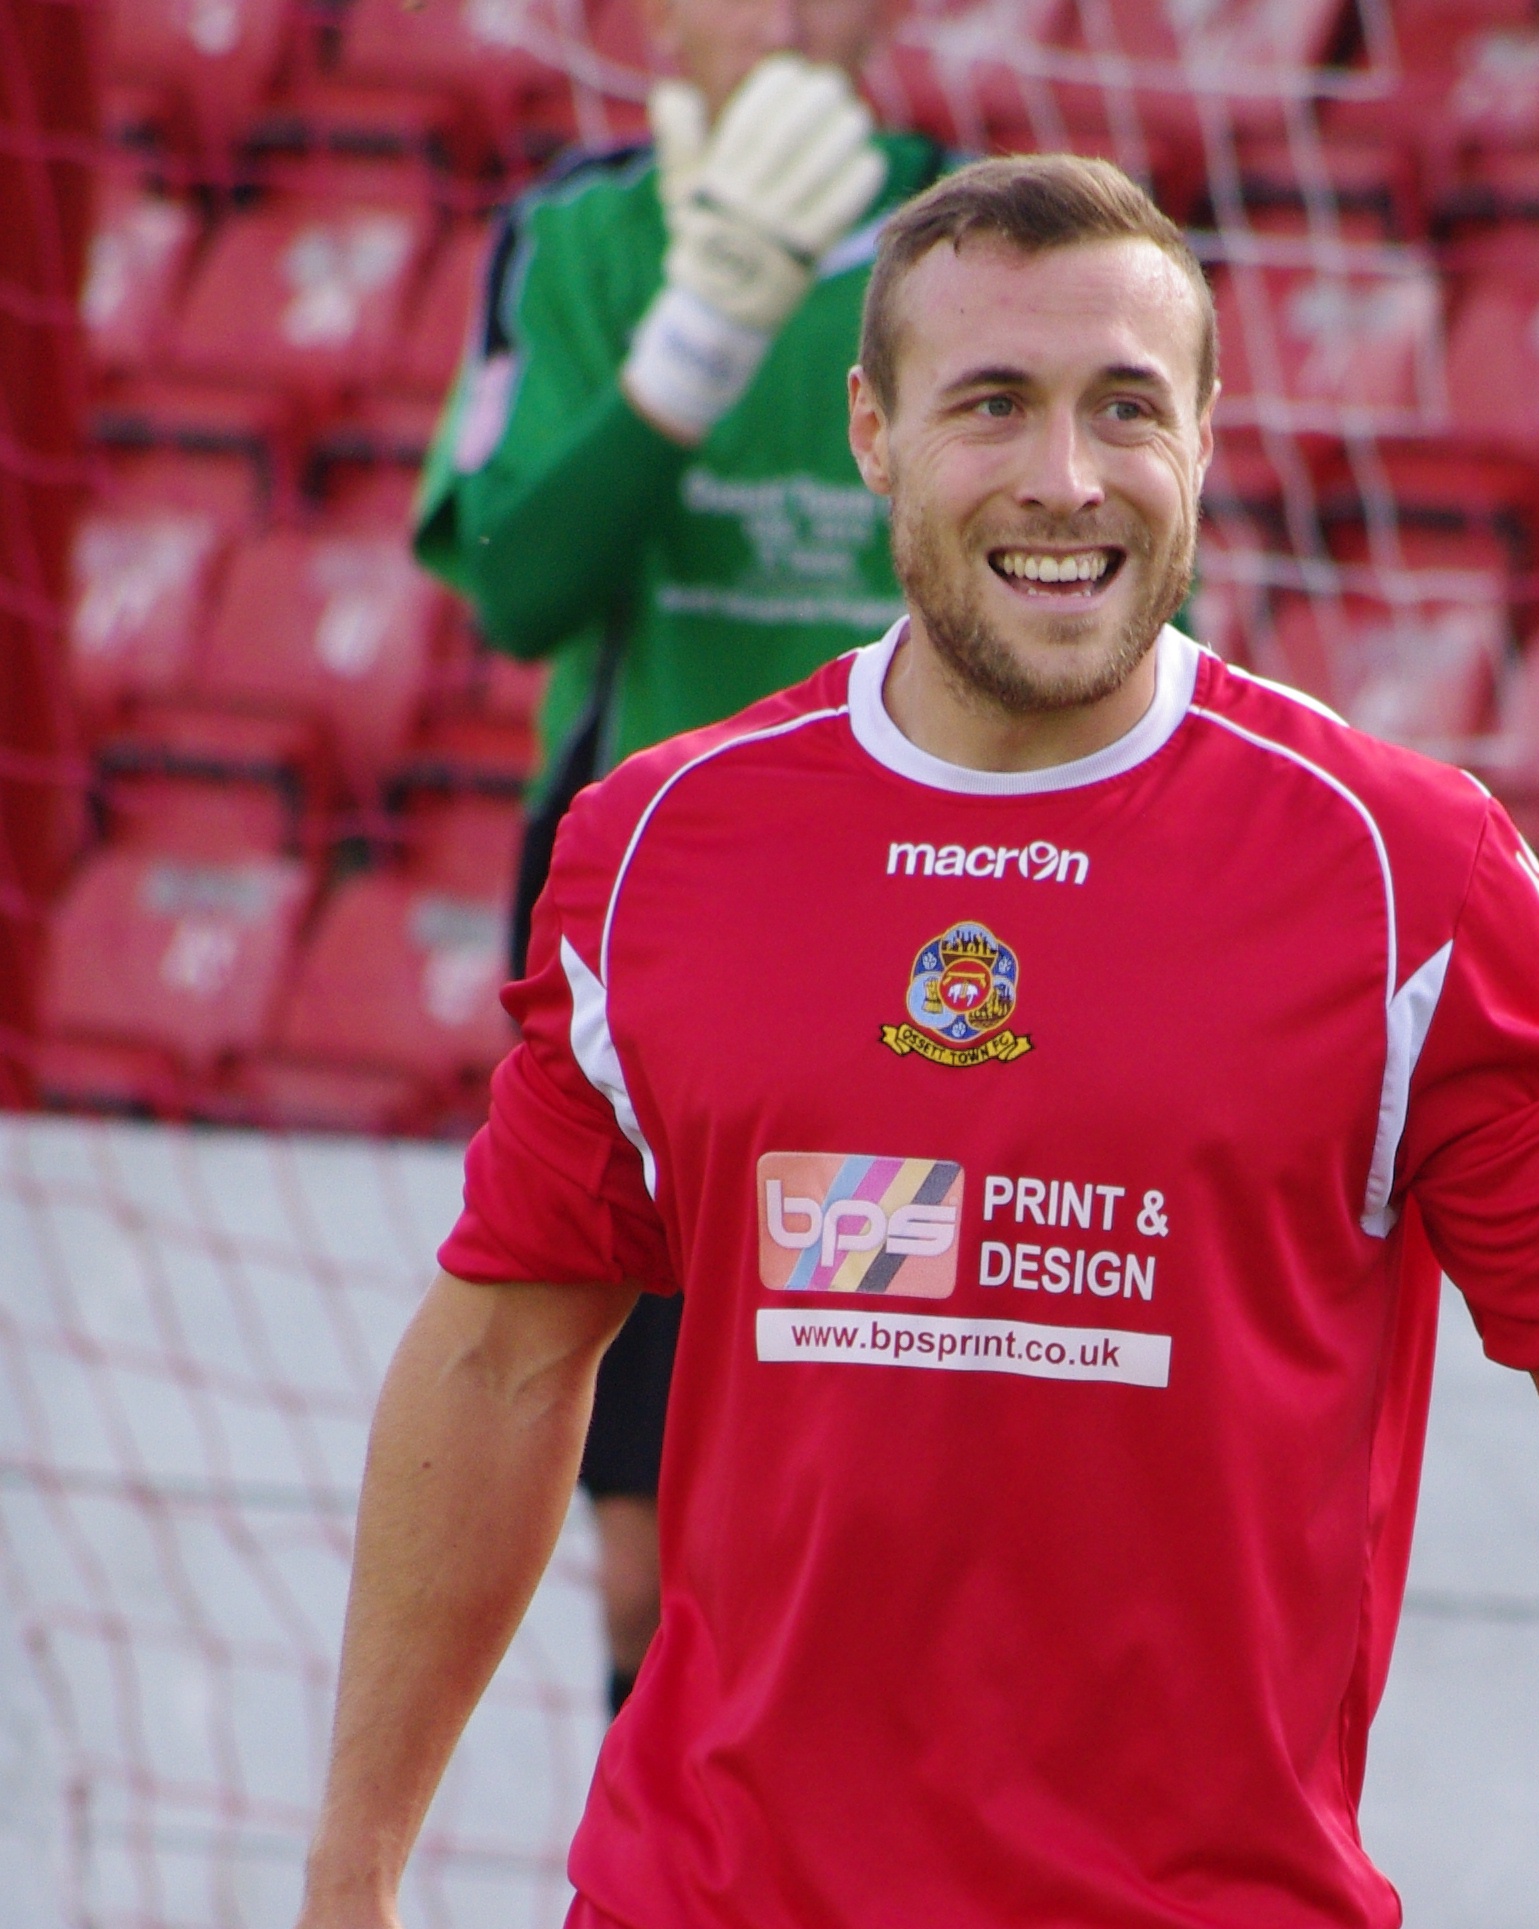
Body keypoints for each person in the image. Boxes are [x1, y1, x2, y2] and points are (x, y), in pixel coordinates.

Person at [303, 156, 1539, 1929]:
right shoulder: (657, 846)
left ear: (1208, 434)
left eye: (1123, 408)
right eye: (990, 404)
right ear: (871, 431)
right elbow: (501, 1353)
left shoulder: (1400, 871)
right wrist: (356, 1866)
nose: (1064, 479)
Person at [411, 0, 942, 1713]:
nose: (772, 13)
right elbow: (513, 584)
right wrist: (695, 341)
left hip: (920, 963)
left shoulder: (1005, 230)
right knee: (650, 1539)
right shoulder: (580, 233)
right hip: (651, 967)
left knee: (867, 1489)